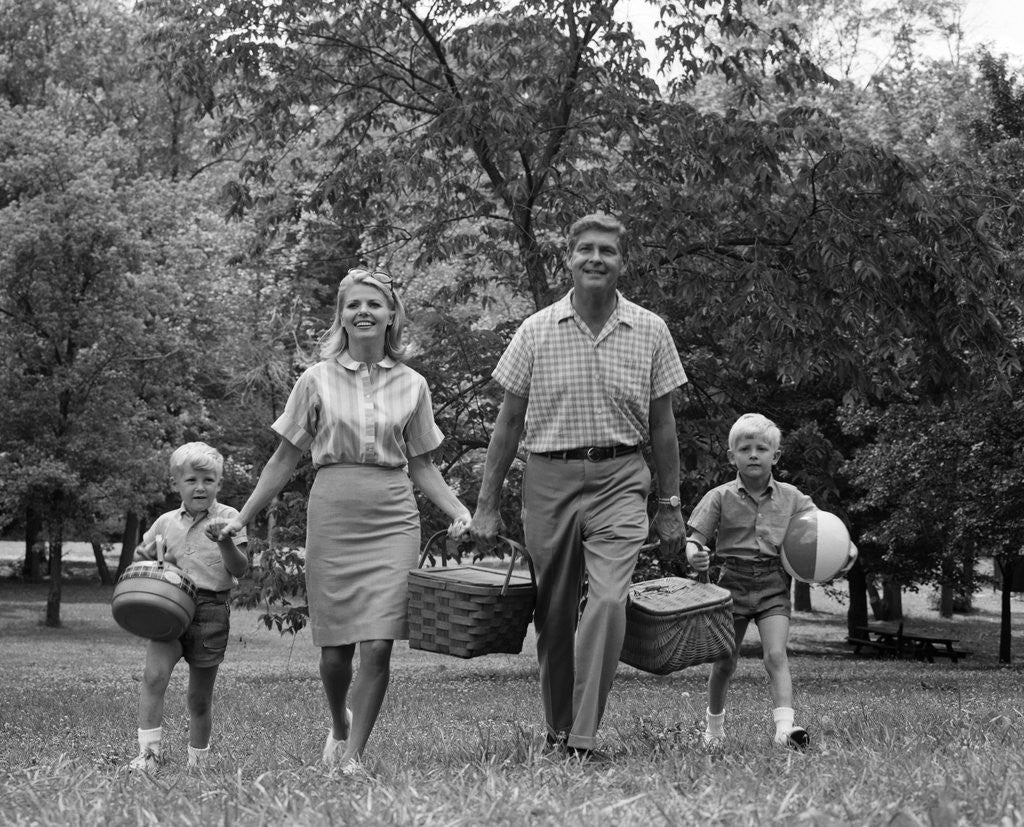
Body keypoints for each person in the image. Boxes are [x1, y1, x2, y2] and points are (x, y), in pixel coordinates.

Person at [218, 267, 471, 776]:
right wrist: (242, 517)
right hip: (333, 512)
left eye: (374, 304)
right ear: (342, 316)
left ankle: (352, 759)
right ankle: (339, 723)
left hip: (393, 515)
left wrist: (459, 510)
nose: (364, 312)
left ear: (391, 315)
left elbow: (423, 464)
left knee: (378, 645)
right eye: (354, 304)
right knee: (335, 654)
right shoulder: (315, 379)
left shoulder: (413, 384)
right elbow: (283, 459)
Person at [470, 213, 688, 761]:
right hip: (549, 478)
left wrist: (669, 504)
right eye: (586, 249)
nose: (596, 258)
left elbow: (663, 425)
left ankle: (583, 738)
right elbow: (508, 423)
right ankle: (558, 729)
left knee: (610, 600)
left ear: (622, 262)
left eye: (607, 251)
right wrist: (486, 505)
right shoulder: (536, 329)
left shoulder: (651, 330)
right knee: (555, 612)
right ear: (569, 258)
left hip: (621, 477)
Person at [685, 413, 816, 750]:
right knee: (725, 662)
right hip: (731, 584)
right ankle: (714, 731)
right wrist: (695, 555)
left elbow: (820, 528)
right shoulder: (719, 496)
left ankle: (784, 730)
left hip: (774, 583)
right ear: (732, 457)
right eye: (745, 449)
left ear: (776, 455)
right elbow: (694, 540)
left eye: (761, 448)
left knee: (775, 655)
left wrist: (843, 547)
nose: (753, 455)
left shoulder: (792, 497)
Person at [129, 441, 249, 773]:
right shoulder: (165, 522)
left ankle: (199, 762)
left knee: (199, 698)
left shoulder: (230, 518)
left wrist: (225, 540)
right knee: (154, 677)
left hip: (211, 611)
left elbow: (240, 569)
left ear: (219, 483)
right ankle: (149, 757)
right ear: (176, 484)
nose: (200, 487)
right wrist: (145, 560)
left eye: (208, 480)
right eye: (191, 480)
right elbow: (141, 556)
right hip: (168, 607)